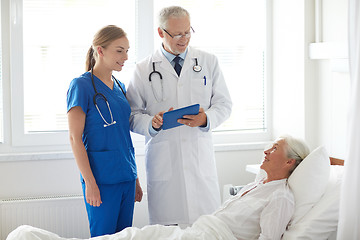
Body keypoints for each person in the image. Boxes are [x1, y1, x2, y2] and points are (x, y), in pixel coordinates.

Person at [7, 135, 310, 240]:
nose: (267, 151)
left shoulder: (280, 197)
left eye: (275, 148)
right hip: (194, 232)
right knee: (132, 235)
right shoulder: (258, 184)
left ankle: (27, 237)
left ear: (290, 163)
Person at [126, 6, 232, 226]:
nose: (184, 39)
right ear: (160, 32)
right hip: (165, 162)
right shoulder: (143, 69)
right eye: (177, 34)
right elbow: (132, 115)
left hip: (199, 160)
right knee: (168, 231)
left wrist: (206, 119)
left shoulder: (207, 61)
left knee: (206, 228)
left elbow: (224, 104)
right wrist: (152, 123)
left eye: (188, 31)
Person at [66, 25, 143, 237]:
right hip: (101, 179)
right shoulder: (81, 86)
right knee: (103, 235)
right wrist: (90, 182)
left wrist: (134, 177)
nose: (125, 56)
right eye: (119, 50)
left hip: (126, 177)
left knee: (124, 236)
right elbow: (75, 138)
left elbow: (123, 137)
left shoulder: (119, 86)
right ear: (100, 50)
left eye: (127, 50)